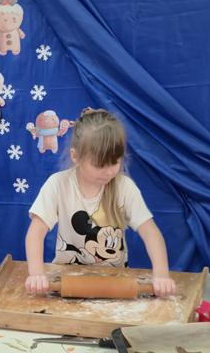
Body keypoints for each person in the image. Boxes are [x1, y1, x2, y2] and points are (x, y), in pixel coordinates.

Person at [24, 108, 177, 297]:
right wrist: (37, 274)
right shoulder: (57, 184)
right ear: (75, 156)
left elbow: (150, 232)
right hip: (66, 281)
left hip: (114, 282)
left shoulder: (124, 187)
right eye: (99, 165)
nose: (109, 171)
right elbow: (35, 233)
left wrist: (161, 275)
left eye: (115, 162)